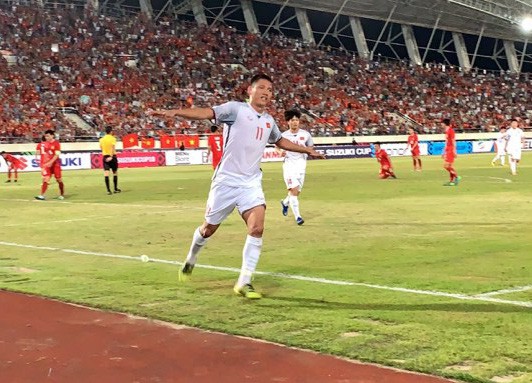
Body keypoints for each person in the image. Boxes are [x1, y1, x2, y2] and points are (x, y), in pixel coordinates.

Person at [150, 73, 325, 299]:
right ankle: (191, 259)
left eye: (270, 90)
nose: (266, 92)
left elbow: (279, 140)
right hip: (226, 181)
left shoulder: (269, 121)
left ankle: (244, 281)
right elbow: (207, 113)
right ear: (249, 91)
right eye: (262, 87)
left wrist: (307, 150)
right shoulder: (235, 110)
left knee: (257, 228)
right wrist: (176, 112)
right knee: (208, 229)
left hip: (250, 182)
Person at [279, 109, 314, 225]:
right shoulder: (283, 136)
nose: (295, 122)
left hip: (301, 166)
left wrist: (312, 153)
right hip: (289, 166)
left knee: (296, 192)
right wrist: (280, 152)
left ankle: (285, 202)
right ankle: (298, 217)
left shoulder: (305, 134)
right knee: (293, 191)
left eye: (297, 120)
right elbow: (277, 146)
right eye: (292, 120)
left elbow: (310, 147)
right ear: (288, 122)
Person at [35, 130, 65, 200]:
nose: (46, 137)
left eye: (48, 136)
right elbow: (42, 153)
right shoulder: (44, 144)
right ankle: (41, 195)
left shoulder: (56, 144)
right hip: (47, 165)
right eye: (45, 136)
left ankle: (62, 194)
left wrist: (50, 162)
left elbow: (57, 155)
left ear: (52, 136)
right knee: (46, 178)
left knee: (58, 179)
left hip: (55, 164)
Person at [99, 125, 121, 195]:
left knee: (106, 173)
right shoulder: (113, 138)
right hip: (112, 157)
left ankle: (108, 190)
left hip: (105, 157)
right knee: (115, 173)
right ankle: (115, 189)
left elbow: (101, 148)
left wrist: (106, 156)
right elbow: (113, 148)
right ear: (111, 131)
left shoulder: (101, 139)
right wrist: (111, 156)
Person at [442, 118, 460, 186]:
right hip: (448, 149)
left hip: (451, 149)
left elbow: (453, 141)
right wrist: (443, 151)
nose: (441, 124)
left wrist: (455, 151)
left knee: (446, 166)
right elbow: (446, 142)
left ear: (444, 123)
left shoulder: (451, 131)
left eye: (442, 123)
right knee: (449, 166)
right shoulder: (446, 131)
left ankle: (457, 177)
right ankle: (451, 181)